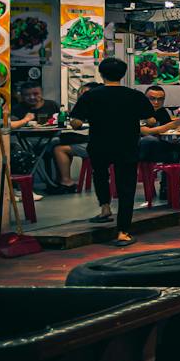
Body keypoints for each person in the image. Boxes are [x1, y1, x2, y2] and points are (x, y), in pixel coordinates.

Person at [65, 58, 155, 244]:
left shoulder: (90, 95)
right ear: (123, 74)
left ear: (101, 74)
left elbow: (76, 122)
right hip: (126, 145)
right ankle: (123, 231)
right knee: (126, 187)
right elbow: (151, 120)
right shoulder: (134, 95)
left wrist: (84, 121)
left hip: (99, 144)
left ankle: (105, 208)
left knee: (100, 175)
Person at [138, 84, 180, 163]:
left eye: (160, 99)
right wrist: (172, 125)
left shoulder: (161, 111)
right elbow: (145, 132)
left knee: (179, 149)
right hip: (138, 147)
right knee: (150, 140)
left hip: (157, 147)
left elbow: (170, 129)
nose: (156, 102)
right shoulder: (139, 110)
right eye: (152, 99)